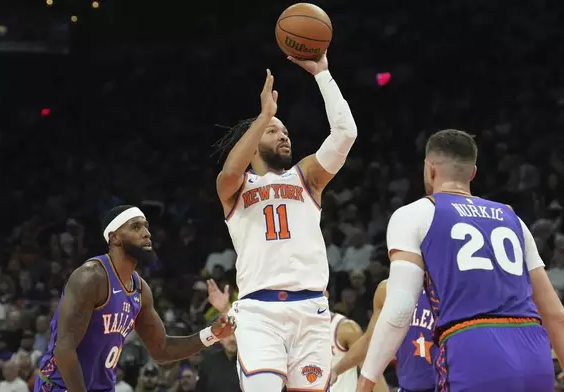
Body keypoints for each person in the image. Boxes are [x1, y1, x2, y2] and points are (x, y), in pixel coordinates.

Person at [357, 129, 564, 392]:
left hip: (473, 350)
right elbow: (557, 317)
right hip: (534, 353)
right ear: (473, 173)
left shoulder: (414, 214)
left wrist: (365, 383)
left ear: (429, 168)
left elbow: (399, 310)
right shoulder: (513, 219)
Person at [213, 52, 357, 391]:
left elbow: (346, 133)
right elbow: (231, 170)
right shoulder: (235, 188)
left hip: (311, 311)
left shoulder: (305, 176)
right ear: (252, 143)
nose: (283, 135)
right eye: (272, 131)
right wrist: (264, 116)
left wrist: (323, 74)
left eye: (285, 131)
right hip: (259, 312)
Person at [34, 205, 235, 392]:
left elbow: (162, 350)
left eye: (146, 227)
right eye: (136, 227)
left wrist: (213, 334)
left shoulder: (140, 290)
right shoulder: (91, 277)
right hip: (60, 386)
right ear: (115, 238)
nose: (147, 233)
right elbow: (64, 350)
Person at [331, 280, 433, 392]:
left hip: (444, 384)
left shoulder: (447, 288)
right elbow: (370, 341)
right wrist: (336, 370)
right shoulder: (387, 288)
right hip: (407, 387)